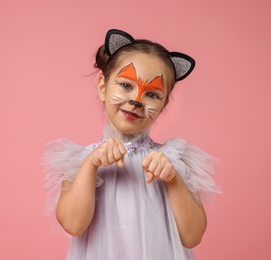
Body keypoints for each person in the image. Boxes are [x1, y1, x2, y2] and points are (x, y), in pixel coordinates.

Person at [41, 29, 220, 260]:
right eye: (126, 85)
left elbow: (193, 236)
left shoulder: (173, 161)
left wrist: (174, 179)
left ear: (164, 105)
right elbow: (73, 225)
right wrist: (90, 165)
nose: (136, 101)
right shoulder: (81, 161)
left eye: (153, 95)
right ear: (103, 87)